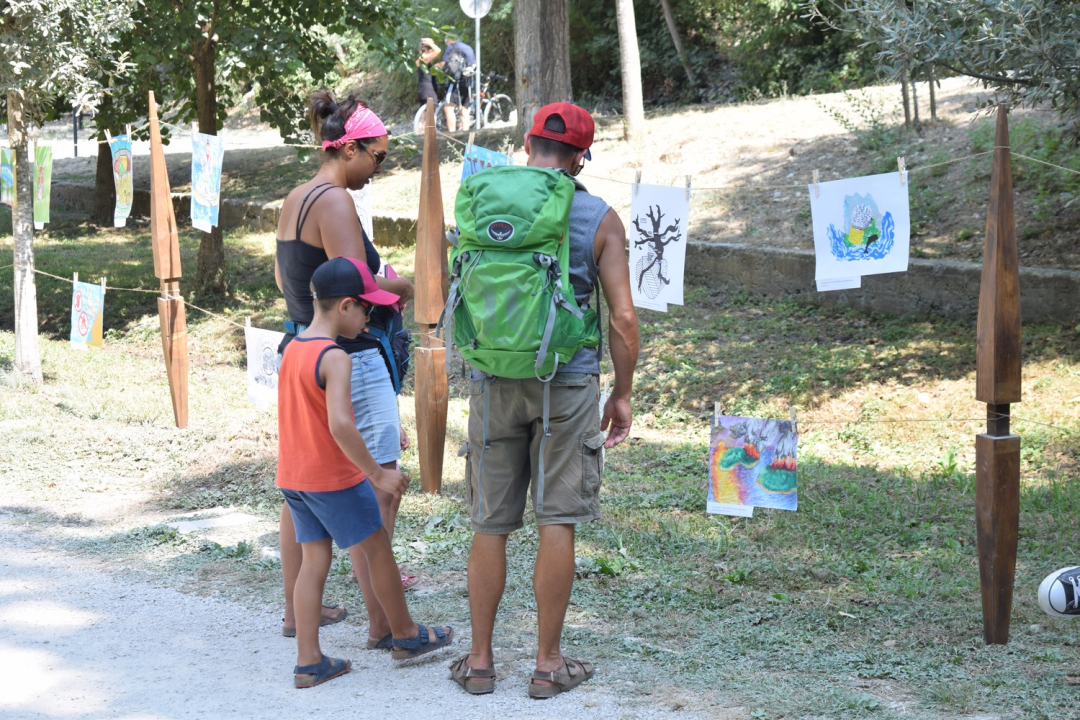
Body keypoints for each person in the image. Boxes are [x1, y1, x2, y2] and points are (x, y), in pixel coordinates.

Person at [448, 102, 640, 697]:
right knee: (557, 519)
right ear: (583, 156)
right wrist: (624, 393)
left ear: (528, 146)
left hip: (491, 382)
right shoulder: (600, 218)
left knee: (490, 523)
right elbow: (624, 318)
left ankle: (479, 662)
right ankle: (547, 664)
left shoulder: (484, 200)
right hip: (567, 385)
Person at [274, 91, 416, 643]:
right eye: (378, 157)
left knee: (300, 487)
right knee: (379, 484)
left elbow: (297, 282)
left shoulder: (296, 196)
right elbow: (361, 289)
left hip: (299, 347)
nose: (379, 169)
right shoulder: (334, 202)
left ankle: (296, 612)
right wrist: (405, 286)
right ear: (350, 148)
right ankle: (385, 623)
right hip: (348, 359)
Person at [279, 257, 452, 688]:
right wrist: (376, 474)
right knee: (377, 550)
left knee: (314, 562)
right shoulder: (335, 356)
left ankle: (309, 661)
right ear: (346, 307)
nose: (369, 319)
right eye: (366, 310)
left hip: (295, 477)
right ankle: (406, 635)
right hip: (332, 478)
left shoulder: (293, 347)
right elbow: (340, 423)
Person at [438, 34, 475, 132]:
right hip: (468, 82)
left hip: (455, 82)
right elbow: (473, 64)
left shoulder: (451, 47)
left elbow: (444, 64)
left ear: (449, 41)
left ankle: (452, 133)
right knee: (465, 109)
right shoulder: (468, 48)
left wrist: (436, 68)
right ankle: (466, 133)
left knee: (449, 107)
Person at [416, 37, 442, 106]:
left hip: (424, 88)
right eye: (431, 49)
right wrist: (430, 42)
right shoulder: (423, 58)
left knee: (426, 113)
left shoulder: (422, 58)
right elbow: (438, 50)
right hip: (427, 90)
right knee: (431, 113)